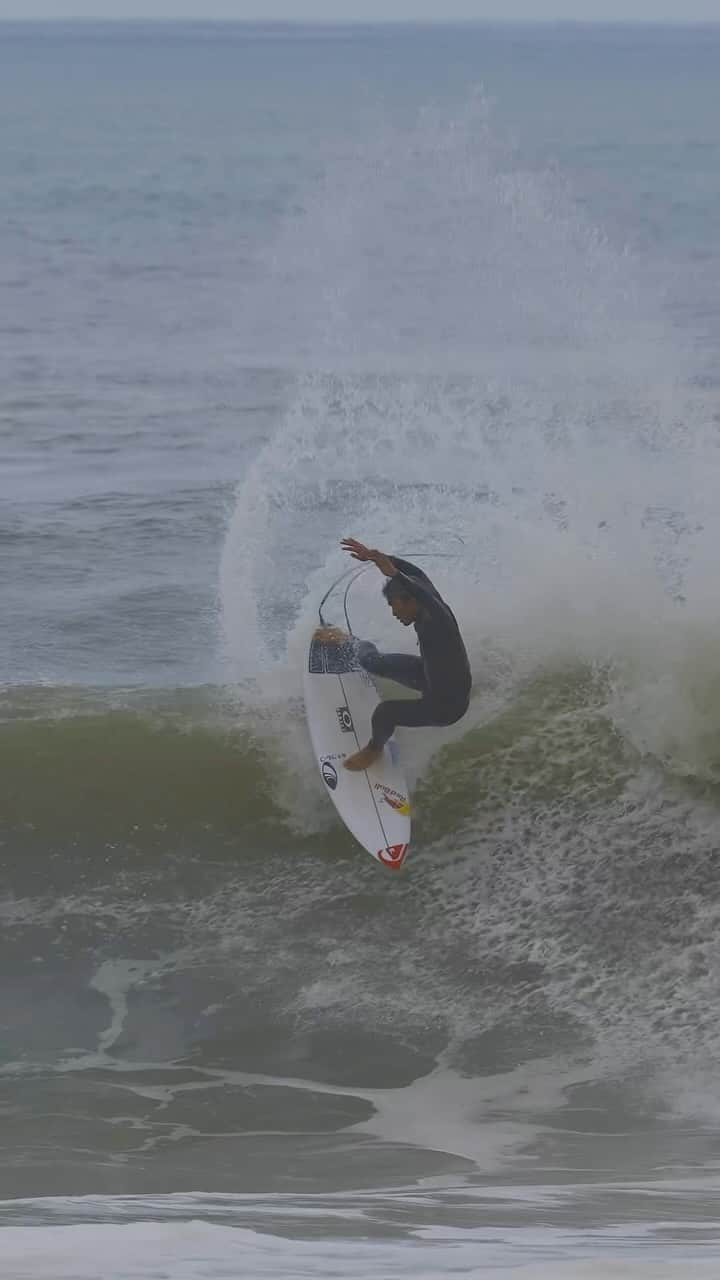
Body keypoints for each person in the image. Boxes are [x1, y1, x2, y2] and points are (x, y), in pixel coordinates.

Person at [323, 537, 472, 771]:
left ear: (411, 600)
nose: (393, 612)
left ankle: (374, 749)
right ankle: (351, 642)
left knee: (386, 713)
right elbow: (418, 573)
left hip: (447, 706)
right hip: (428, 675)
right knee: (372, 661)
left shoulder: (439, 618)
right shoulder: (424, 602)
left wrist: (396, 576)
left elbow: (421, 592)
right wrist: (378, 557)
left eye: (395, 605)